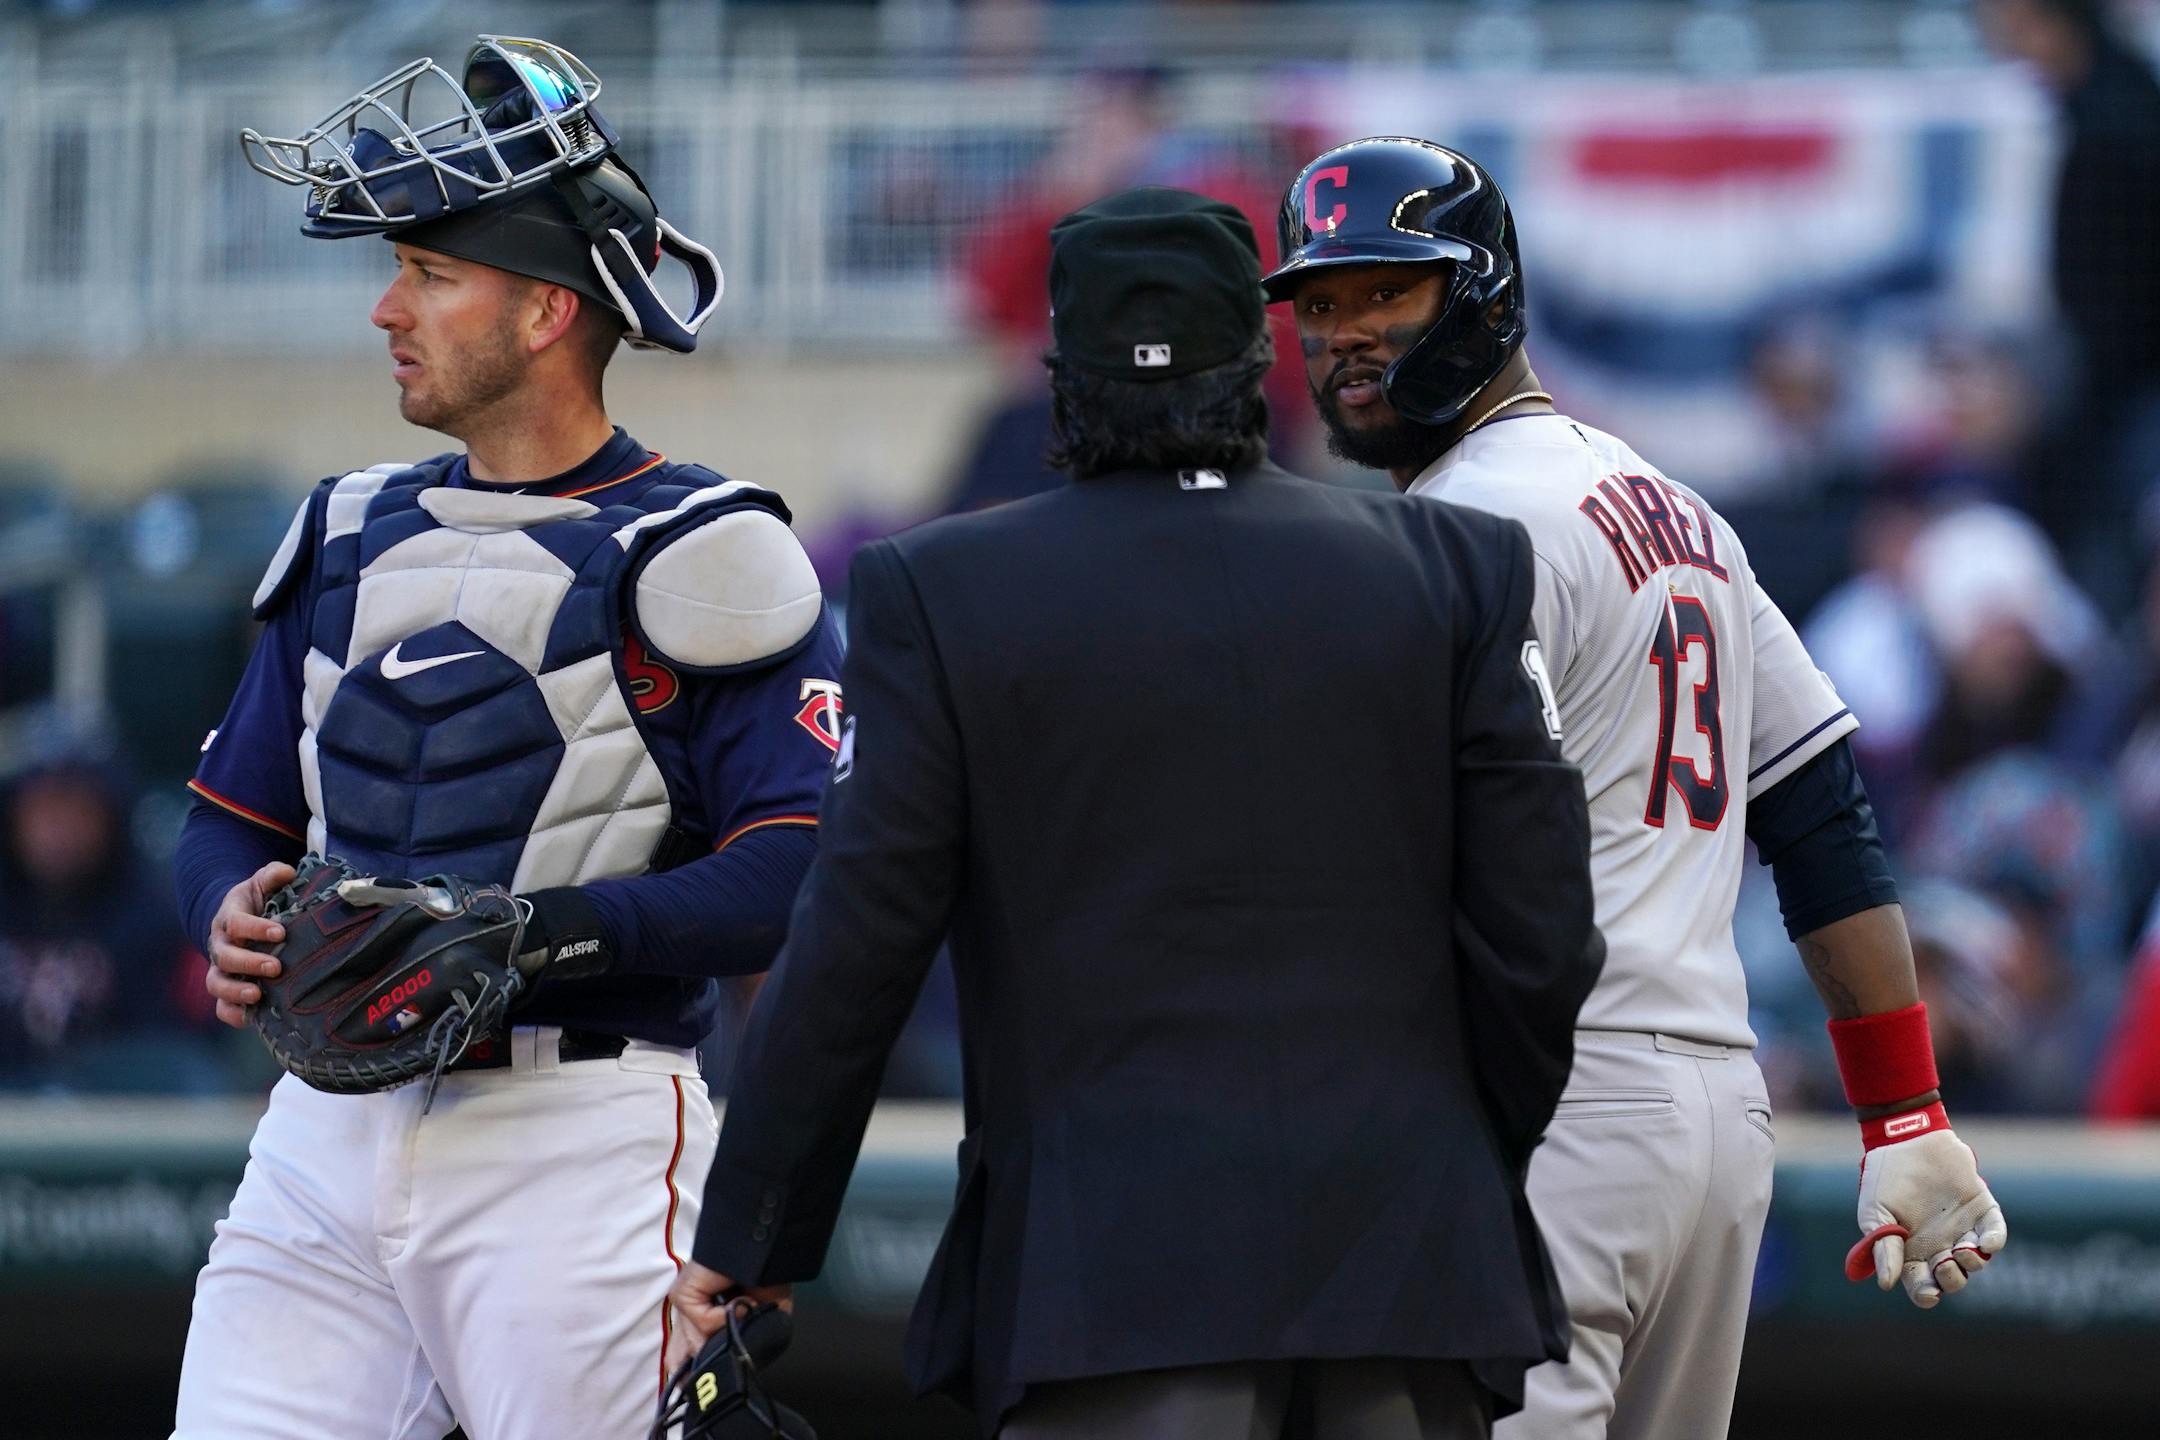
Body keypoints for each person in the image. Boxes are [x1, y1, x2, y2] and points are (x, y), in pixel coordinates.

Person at [670, 186, 1606, 1439]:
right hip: (1414, 1268)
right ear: (1254, 360)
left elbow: (855, 948)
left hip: (1103, 1277)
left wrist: (757, 1235)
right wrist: (1451, 1149)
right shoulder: (1453, 566)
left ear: (1065, 377)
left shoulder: (940, 588)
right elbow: (1544, 934)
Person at [1265, 137, 2009, 1440]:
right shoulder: (1675, 507)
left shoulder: (1444, 533)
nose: (1346, 335)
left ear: (1486, 291)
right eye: (1320, 304)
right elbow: (1821, 810)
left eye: (1390, 292)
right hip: (1715, 1126)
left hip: (1549, 1108)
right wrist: (1903, 1110)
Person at [170, 38, 842, 1439]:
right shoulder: (349, 527)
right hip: (322, 1129)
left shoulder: (702, 546)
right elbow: (229, 816)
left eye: (428, 274)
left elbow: (800, 871)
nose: (385, 309)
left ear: (543, 311)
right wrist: (217, 907)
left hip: (577, 1129)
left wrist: (532, 934)